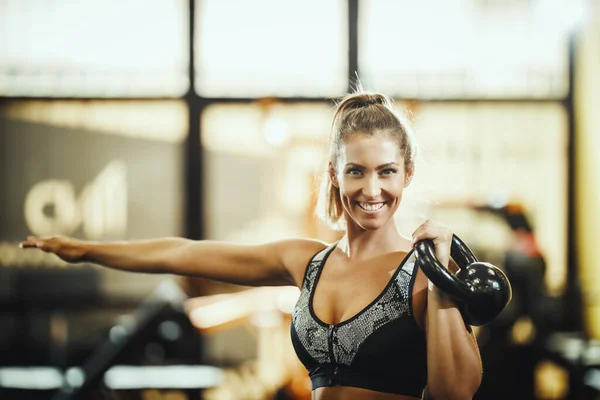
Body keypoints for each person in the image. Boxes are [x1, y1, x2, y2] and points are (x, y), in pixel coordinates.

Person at [20, 91, 482, 400]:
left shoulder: (423, 271)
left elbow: (454, 393)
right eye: (356, 171)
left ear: (407, 174)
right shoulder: (306, 261)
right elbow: (183, 254)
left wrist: (442, 278)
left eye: (386, 171)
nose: (371, 189)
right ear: (334, 175)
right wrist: (85, 250)